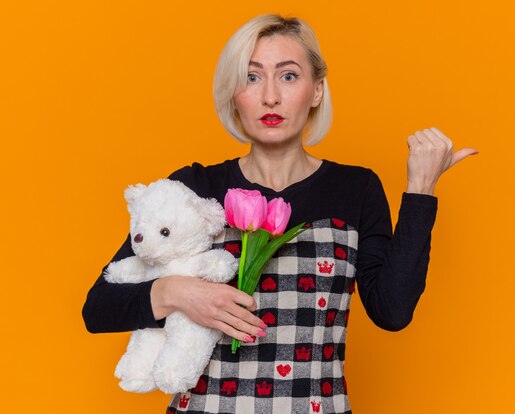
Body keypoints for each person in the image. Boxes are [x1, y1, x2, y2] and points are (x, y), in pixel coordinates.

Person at [82, 14, 477, 414]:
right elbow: (98, 307)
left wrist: (421, 190)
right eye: (252, 78)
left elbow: (392, 311)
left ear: (317, 90)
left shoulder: (356, 189)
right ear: (233, 93)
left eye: (288, 76)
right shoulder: (194, 187)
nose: (270, 96)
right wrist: (177, 293)